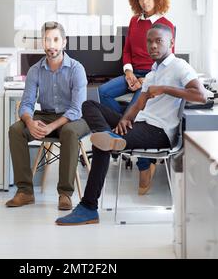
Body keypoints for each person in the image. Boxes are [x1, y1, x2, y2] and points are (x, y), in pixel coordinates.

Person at [56, 23, 207, 225]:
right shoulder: (153, 72)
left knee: (101, 144)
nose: (153, 45)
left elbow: (201, 95)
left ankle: (89, 207)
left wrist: (165, 89)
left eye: (158, 41)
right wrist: (127, 118)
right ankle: (109, 137)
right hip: (141, 124)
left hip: (158, 131)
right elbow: (139, 104)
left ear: (171, 43)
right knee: (89, 104)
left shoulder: (179, 66)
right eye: (149, 41)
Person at [98, 0, 174, 194]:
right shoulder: (134, 21)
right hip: (133, 73)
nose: (144, 2)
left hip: (151, 77)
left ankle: (144, 166)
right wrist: (129, 72)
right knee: (104, 92)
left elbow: (165, 58)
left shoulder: (165, 25)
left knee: (136, 114)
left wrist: (145, 80)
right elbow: (128, 51)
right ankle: (122, 122)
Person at [6, 21, 90, 211]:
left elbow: (77, 109)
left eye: (55, 39)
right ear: (42, 42)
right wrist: (30, 121)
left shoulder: (77, 69)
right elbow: (26, 103)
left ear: (64, 42)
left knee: (68, 132)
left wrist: (51, 127)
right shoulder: (35, 70)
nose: (51, 45)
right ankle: (25, 192)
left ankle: (65, 194)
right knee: (15, 130)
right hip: (45, 115)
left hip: (74, 119)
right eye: (47, 40)